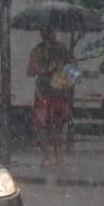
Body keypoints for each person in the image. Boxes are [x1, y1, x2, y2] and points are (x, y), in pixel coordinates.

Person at [27, 29, 76, 165]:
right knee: (55, 125)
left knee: (44, 125)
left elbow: (30, 71)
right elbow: (73, 71)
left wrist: (45, 69)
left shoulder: (39, 50)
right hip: (56, 93)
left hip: (46, 94)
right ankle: (56, 155)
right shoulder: (62, 50)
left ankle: (48, 155)